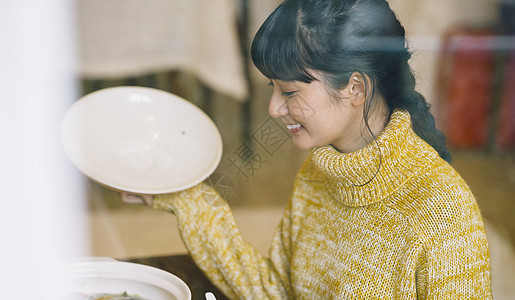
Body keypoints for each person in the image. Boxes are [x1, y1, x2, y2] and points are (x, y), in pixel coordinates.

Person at [122, 0, 492, 298]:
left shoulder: (443, 213)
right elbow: (276, 291)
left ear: (355, 89)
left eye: (290, 92)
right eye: (273, 88)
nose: (273, 109)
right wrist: (186, 198)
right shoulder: (318, 173)